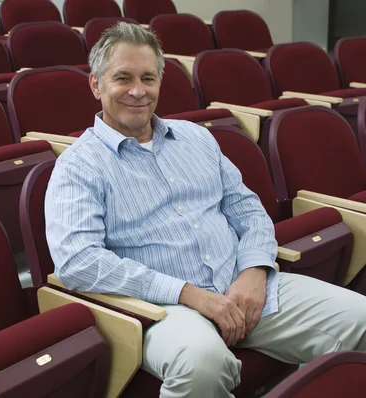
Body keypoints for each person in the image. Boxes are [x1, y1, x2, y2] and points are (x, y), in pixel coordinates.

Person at [44, 22, 366, 398]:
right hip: (161, 309)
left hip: (242, 286)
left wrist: (254, 271)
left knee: (361, 318)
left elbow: (248, 210)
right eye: (122, 78)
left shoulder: (196, 137)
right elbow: (78, 261)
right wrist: (187, 293)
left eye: (148, 78)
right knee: (202, 363)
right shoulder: (78, 166)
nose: (137, 90)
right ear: (96, 85)